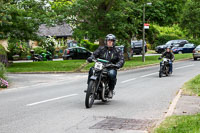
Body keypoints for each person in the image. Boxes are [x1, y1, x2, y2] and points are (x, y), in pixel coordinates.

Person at [87, 34, 125, 98]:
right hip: (100, 66)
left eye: (111, 41)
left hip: (111, 67)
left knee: (112, 74)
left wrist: (118, 65)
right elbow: (94, 54)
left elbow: (121, 59)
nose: (109, 42)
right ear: (106, 41)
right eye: (108, 41)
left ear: (113, 42)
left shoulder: (117, 50)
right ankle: (89, 87)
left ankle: (110, 90)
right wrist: (91, 58)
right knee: (91, 70)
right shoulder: (101, 49)